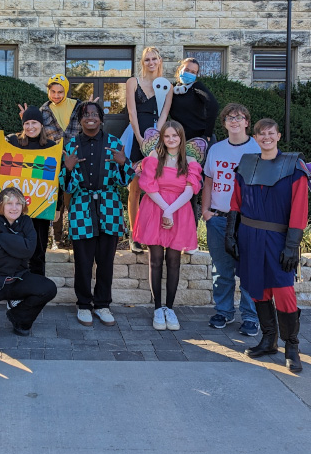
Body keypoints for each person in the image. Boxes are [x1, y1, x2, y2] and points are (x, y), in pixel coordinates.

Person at [226, 118, 308, 373]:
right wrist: (231, 234)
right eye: (261, 134)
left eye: (271, 133)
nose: (266, 138)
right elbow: (236, 202)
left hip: (278, 239)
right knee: (258, 290)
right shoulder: (247, 164)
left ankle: (291, 347)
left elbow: (300, 208)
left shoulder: (295, 167)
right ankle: (268, 340)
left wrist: (292, 246)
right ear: (256, 137)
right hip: (250, 237)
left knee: (284, 292)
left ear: (279, 136)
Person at [60, 101, 134, 327]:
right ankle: (83, 304)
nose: (90, 117)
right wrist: (68, 169)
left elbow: (126, 180)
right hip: (81, 208)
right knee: (82, 261)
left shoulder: (114, 143)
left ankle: (102, 305)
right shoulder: (71, 145)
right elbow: (65, 186)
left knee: (106, 262)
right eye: (85, 114)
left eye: (94, 114)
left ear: (101, 119)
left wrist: (123, 164)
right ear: (80, 120)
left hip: (109, 208)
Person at [132, 121, 202, 331]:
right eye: (167, 136)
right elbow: (148, 186)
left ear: (181, 137)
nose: (171, 139)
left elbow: (190, 190)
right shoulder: (154, 158)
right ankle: (157, 308)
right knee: (155, 260)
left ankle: (169, 308)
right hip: (155, 209)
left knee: (173, 261)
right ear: (162, 138)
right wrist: (165, 209)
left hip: (179, 211)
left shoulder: (190, 161)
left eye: (175, 135)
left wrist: (171, 211)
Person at [201, 103, 260, 335]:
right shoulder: (216, 149)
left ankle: (250, 316)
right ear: (224, 123)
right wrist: (205, 211)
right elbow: (208, 181)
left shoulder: (257, 149)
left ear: (247, 122)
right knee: (221, 269)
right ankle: (224, 312)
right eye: (229, 118)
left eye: (239, 117)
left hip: (248, 220)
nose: (234, 121)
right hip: (218, 218)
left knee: (248, 269)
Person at [0, 187, 57, 339]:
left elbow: (29, 250)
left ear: (23, 206)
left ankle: (19, 317)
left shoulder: (26, 221)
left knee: (48, 288)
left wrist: (2, 239)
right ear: (1, 205)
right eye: (9, 203)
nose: (14, 208)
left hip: (18, 278)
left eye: (18, 203)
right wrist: (17, 246)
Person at [20, 73, 84, 248]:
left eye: (60, 92)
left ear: (67, 91)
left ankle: (75, 235)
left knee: (74, 198)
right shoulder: (43, 111)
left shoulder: (79, 107)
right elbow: (35, 132)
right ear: (48, 91)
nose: (56, 95)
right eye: (53, 91)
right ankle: (57, 239)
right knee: (56, 201)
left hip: (76, 159)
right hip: (52, 161)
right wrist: (24, 121)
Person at [125, 47, 172, 253]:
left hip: (157, 138)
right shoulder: (132, 82)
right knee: (135, 187)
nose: (151, 62)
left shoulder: (167, 86)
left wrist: (154, 142)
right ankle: (134, 235)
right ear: (142, 62)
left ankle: (153, 234)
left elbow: (163, 116)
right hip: (136, 136)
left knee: (156, 188)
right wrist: (140, 139)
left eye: (154, 59)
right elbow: (131, 112)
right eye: (147, 59)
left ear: (160, 61)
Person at [6, 106, 62, 276]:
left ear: (41, 125)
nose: (30, 127)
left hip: (41, 208)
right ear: (22, 124)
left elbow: (57, 179)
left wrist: (57, 207)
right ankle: (15, 292)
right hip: (15, 209)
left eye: (34, 123)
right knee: (15, 251)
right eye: (27, 123)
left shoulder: (51, 146)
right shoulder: (13, 142)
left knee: (38, 251)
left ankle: (37, 292)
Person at [169, 57, 219, 142]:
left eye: (193, 72)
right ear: (180, 69)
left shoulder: (197, 87)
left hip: (200, 140)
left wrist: (208, 133)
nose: (189, 73)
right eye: (187, 70)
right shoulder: (172, 90)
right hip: (180, 140)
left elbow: (213, 105)